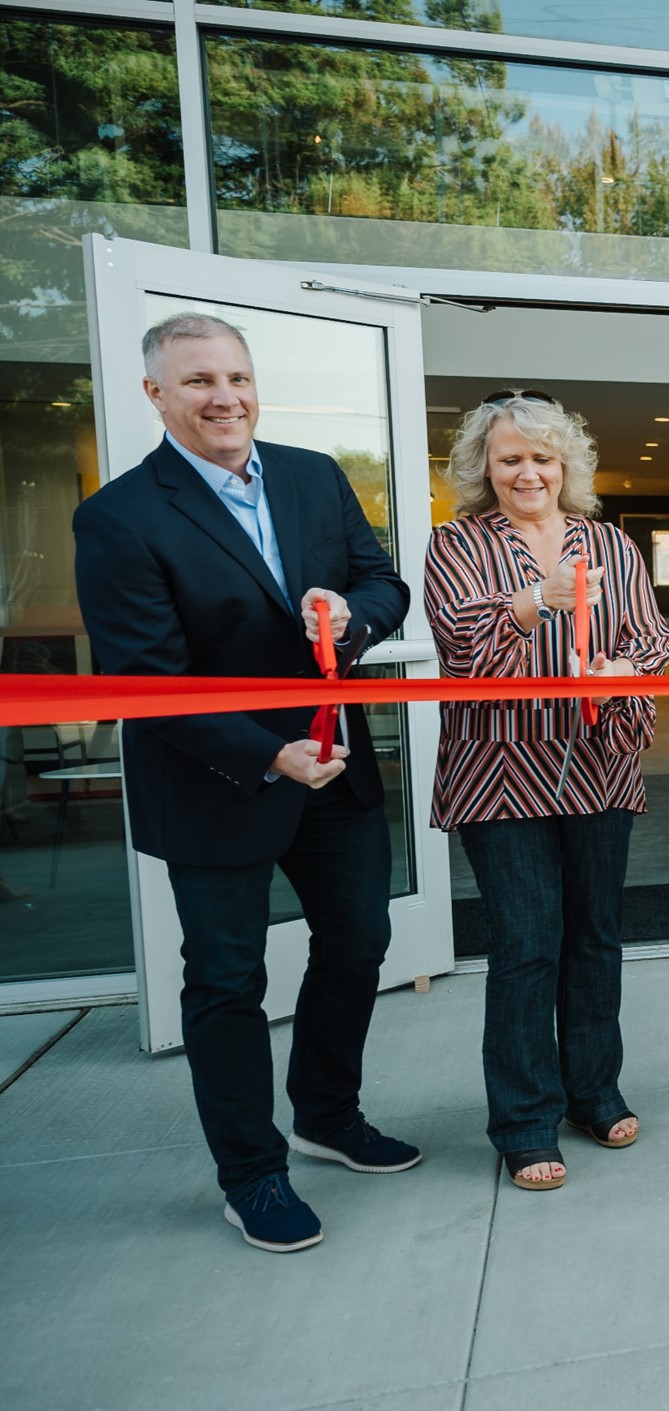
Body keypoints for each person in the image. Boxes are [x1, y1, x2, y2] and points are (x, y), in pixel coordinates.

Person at [71, 312, 416, 1253]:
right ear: (156, 395)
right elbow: (147, 681)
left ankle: (326, 1117)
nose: (224, 397)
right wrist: (268, 754)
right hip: (215, 781)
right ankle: (252, 1175)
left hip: (333, 768)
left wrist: (350, 619)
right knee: (227, 980)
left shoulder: (312, 474)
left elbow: (385, 583)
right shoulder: (117, 516)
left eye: (235, 377)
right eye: (197, 382)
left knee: (359, 941)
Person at [425, 391, 669, 1191]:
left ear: (565, 466)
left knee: (595, 937)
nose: (527, 472)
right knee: (528, 945)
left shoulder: (608, 541)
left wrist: (624, 669)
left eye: (541, 457)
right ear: (483, 469)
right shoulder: (455, 543)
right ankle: (525, 1119)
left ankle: (593, 1091)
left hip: (599, 763)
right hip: (501, 771)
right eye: (509, 459)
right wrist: (537, 600)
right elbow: (463, 652)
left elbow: (651, 641)